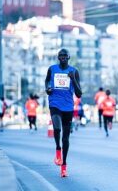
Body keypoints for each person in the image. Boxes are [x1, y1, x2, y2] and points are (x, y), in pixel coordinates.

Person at [45, 48, 82, 177]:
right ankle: (57, 149)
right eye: (61, 56)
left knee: (66, 138)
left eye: (65, 56)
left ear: (69, 57)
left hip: (68, 107)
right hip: (54, 103)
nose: (63, 58)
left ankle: (64, 166)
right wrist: (47, 89)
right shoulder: (52, 69)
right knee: (56, 129)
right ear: (58, 57)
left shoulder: (74, 71)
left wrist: (73, 80)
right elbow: (46, 81)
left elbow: (79, 93)